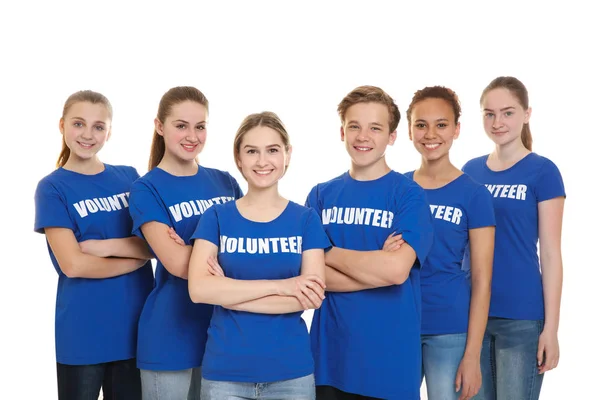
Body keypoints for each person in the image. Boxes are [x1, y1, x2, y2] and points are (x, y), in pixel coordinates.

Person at [188, 111, 330, 400]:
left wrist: (228, 291)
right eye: (252, 151)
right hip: (225, 375)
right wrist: (282, 286)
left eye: (272, 150)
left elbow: (311, 297)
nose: (262, 161)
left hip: (290, 373)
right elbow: (199, 289)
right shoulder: (216, 217)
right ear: (238, 158)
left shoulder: (306, 220)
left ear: (287, 155)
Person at [306, 85, 434, 400]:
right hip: (329, 360)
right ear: (342, 131)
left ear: (391, 136)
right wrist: (376, 266)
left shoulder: (409, 195)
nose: (363, 136)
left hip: (389, 364)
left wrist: (328, 252)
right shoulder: (320, 195)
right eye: (355, 126)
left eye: (375, 128)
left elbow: (395, 272)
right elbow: (309, 276)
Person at [34, 90, 154, 400]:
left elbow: (153, 246)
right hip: (83, 332)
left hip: (136, 328)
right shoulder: (52, 187)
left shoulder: (129, 178)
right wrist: (134, 257)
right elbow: (73, 264)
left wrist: (103, 247)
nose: (88, 134)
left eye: (98, 126)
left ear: (109, 132)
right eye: (78, 124)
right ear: (62, 125)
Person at [128, 86, 243, 400]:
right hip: (170, 335)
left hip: (223, 333)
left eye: (200, 126)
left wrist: (191, 249)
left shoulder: (226, 181)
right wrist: (222, 252)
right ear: (160, 126)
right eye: (181, 125)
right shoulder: (146, 189)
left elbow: (251, 246)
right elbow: (177, 265)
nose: (192, 136)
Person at [463, 76, 566, 400]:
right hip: (470, 314)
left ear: (526, 114)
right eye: (489, 114)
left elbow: (550, 254)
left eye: (507, 113)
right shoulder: (470, 171)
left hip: (521, 316)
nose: (498, 122)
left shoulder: (543, 172)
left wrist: (551, 328)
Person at [404, 86, 495, 400]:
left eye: (441, 124)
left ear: (456, 129)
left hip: (450, 326)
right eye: (421, 124)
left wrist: (472, 355)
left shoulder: (474, 194)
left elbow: (482, 280)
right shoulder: (397, 188)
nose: (431, 133)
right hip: (399, 323)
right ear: (409, 130)